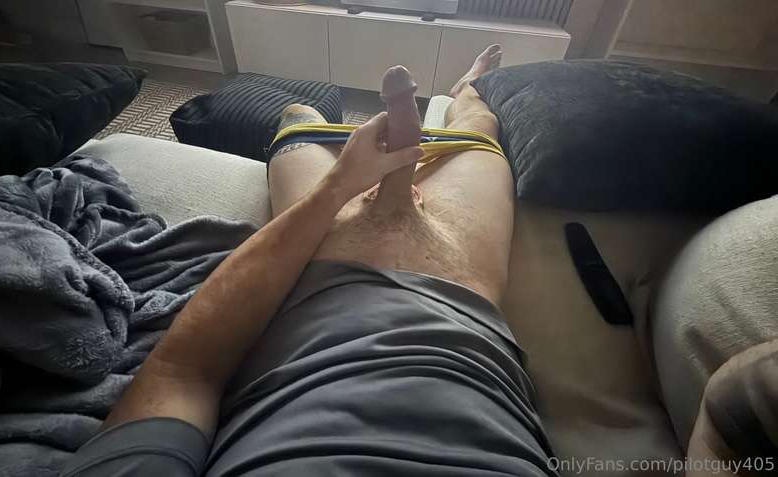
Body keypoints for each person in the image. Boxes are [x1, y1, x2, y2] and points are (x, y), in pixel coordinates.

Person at [60, 45, 772, 476]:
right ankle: (453, 98)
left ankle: (381, 113)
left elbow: (181, 372)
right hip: (456, 287)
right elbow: (734, 418)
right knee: (477, 125)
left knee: (297, 120)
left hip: (327, 278)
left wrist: (342, 188)